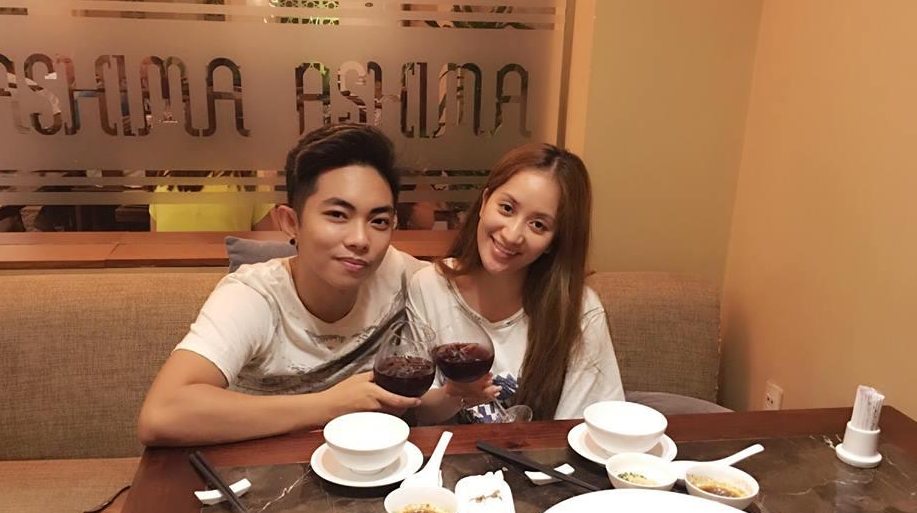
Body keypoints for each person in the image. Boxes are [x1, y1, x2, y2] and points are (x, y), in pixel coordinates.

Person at [137, 123, 426, 446]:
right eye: (337, 215)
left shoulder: (399, 274)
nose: (360, 239)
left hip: (375, 464)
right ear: (291, 223)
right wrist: (329, 405)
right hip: (261, 469)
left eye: (379, 221)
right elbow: (161, 415)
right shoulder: (254, 296)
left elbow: (460, 280)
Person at [410, 143, 624, 424]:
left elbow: (582, 426)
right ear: (484, 202)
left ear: (554, 241)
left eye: (538, 225)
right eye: (507, 208)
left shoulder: (578, 310)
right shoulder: (430, 286)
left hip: (544, 453)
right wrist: (456, 394)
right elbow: (417, 412)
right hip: (448, 452)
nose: (512, 235)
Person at [148, 171, 279, 232]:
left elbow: (155, 240)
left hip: (168, 275)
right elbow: (271, 248)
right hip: (230, 275)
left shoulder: (163, 179)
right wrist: (269, 184)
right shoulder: (247, 178)